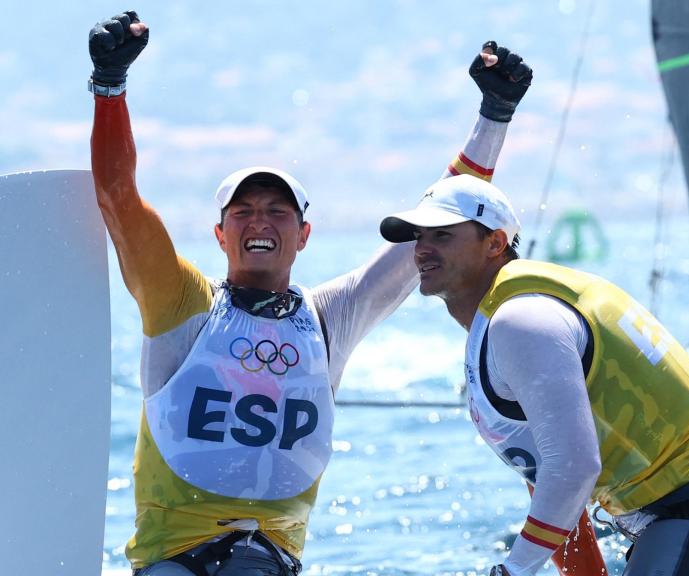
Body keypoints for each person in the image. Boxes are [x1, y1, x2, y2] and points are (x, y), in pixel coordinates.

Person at [88, 11, 535, 575]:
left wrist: (494, 115)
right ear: (219, 234)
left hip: (271, 562)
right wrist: (110, 86)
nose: (260, 223)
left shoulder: (330, 319)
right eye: (243, 212)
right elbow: (118, 196)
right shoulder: (181, 301)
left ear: (303, 235)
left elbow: (439, 217)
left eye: (278, 212)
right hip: (174, 558)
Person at [378, 179, 689, 575]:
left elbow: (575, 467)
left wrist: (515, 569)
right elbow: (551, 480)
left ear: (496, 243)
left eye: (442, 236)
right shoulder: (499, 326)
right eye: (418, 237)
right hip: (672, 515)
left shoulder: (522, 321)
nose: (422, 250)